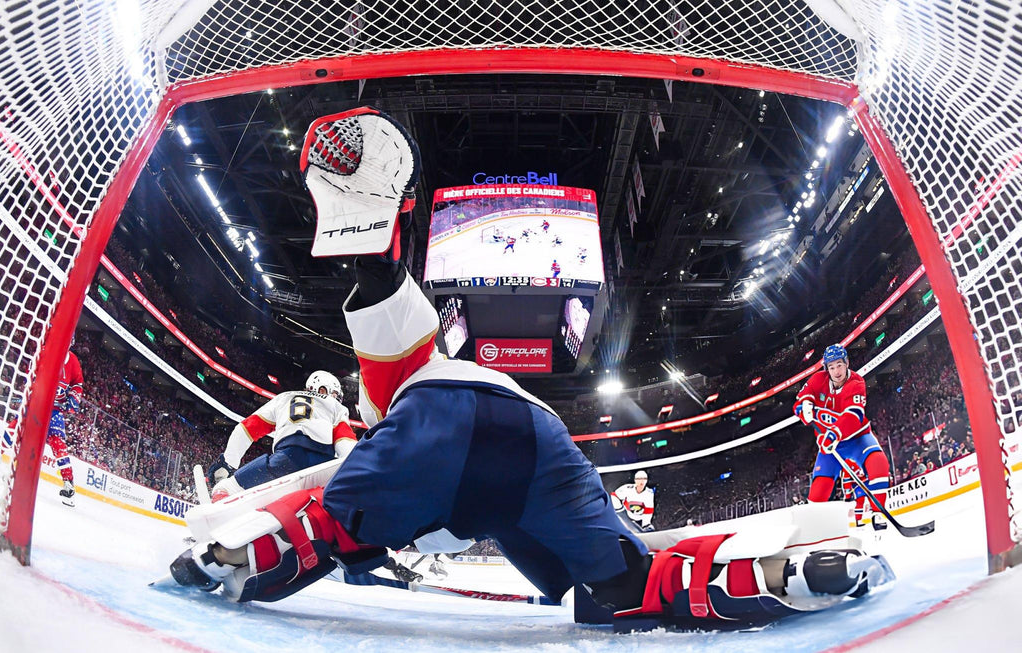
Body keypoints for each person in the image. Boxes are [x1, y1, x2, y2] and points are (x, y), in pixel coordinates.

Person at [167, 107, 894, 629]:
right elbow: (384, 291)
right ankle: (792, 571)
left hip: (442, 425)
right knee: (627, 587)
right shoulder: (418, 372)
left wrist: (367, 229)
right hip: (541, 441)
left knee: (329, 525)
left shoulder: (378, 401)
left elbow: (378, 307)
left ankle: (226, 557)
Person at [206, 370, 356, 501]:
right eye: (334, 394)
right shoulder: (336, 406)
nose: (336, 398)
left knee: (227, 488)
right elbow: (345, 443)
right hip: (323, 466)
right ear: (322, 389)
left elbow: (245, 429)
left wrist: (228, 462)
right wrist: (352, 471)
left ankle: (220, 504)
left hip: (285, 461)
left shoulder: (284, 398)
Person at [794, 344, 891, 527]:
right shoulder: (818, 380)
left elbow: (853, 417)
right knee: (819, 490)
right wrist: (803, 407)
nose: (836, 371)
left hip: (857, 439)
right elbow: (800, 401)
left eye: (839, 365)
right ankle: (811, 526)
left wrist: (834, 434)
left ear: (847, 363)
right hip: (829, 446)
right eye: (831, 367)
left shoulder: (856, 382)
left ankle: (878, 514)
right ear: (826, 369)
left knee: (879, 463)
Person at [5, 339, 84, 505]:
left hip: (54, 411)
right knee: (15, 428)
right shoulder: (45, 351)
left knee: (58, 444)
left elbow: (77, 383)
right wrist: (36, 388)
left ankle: (69, 484)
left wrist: (73, 398)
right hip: (37, 404)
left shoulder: (73, 361)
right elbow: (31, 371)